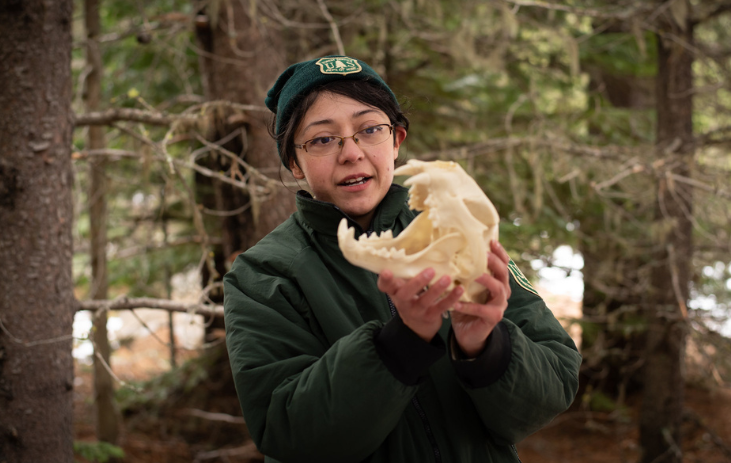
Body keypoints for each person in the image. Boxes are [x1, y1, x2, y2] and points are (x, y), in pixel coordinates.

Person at [223, 55, 581, 463]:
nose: (351, 153)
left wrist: (485, 346)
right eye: (323, 139)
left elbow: (555, 385)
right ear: (294, 163)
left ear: (396, 141)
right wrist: (401, 344)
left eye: (370, 130)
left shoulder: (456, 226)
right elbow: (286, 431)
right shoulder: (263, 275)